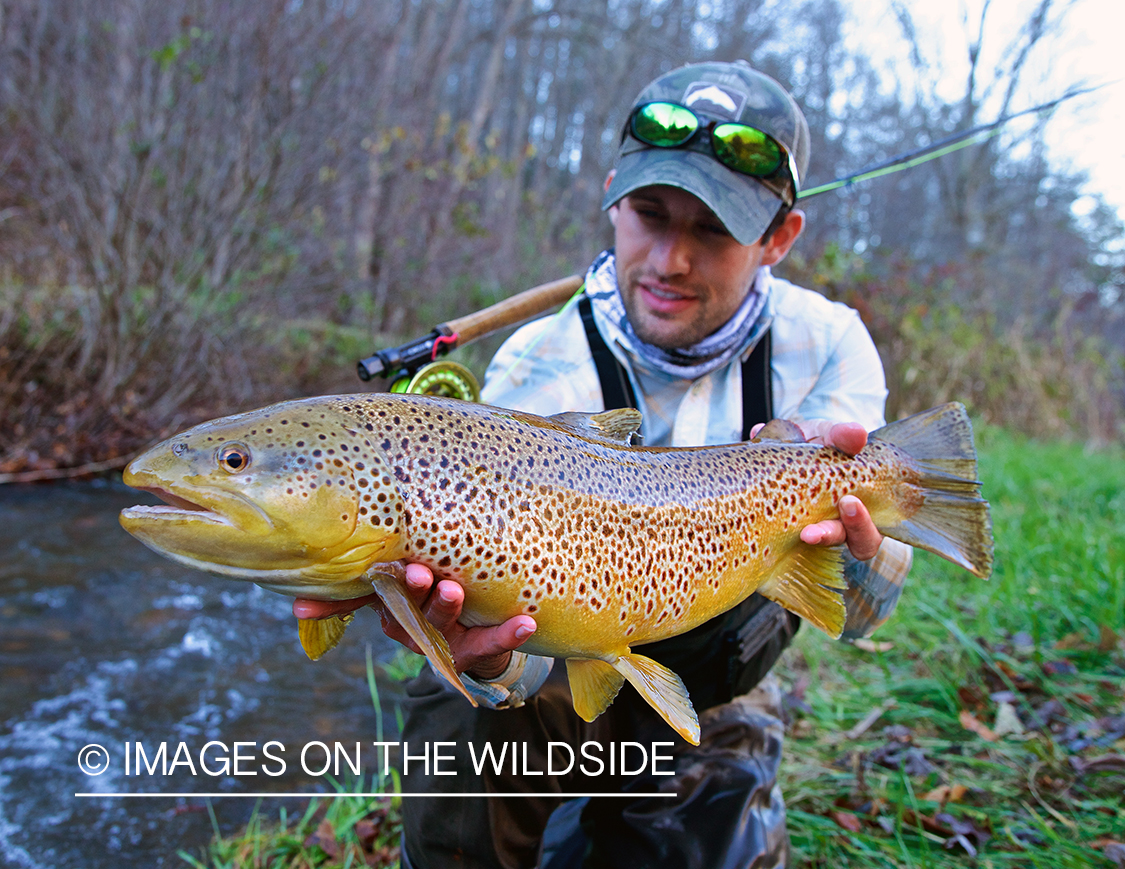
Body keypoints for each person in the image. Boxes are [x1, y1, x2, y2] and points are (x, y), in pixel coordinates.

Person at [295, 60, 912, 868]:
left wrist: (862, 557)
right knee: (462, 724)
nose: (670, 260)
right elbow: (501, 637)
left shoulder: (827, 349)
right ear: (614, 196)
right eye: (650, 215)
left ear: (777, 239)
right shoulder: (539, 364)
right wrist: (486, 658)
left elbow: (863, 615)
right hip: (554, 674)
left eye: (713, 230)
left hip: (716, 689)